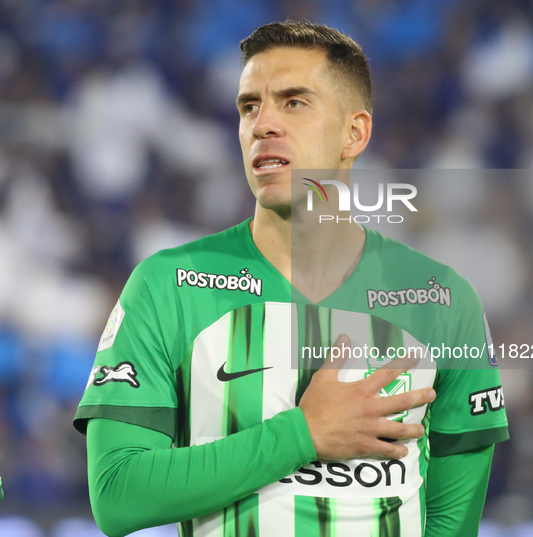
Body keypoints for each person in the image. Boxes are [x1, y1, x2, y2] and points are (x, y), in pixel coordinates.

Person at [74, 22, 509, 537]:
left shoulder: (443, 300)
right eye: (249, 106)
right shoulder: (168, 284)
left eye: (294, 102)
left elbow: (450, 522)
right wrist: (303, 435)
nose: (263, 125)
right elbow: (118, 494)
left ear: (355, 133)